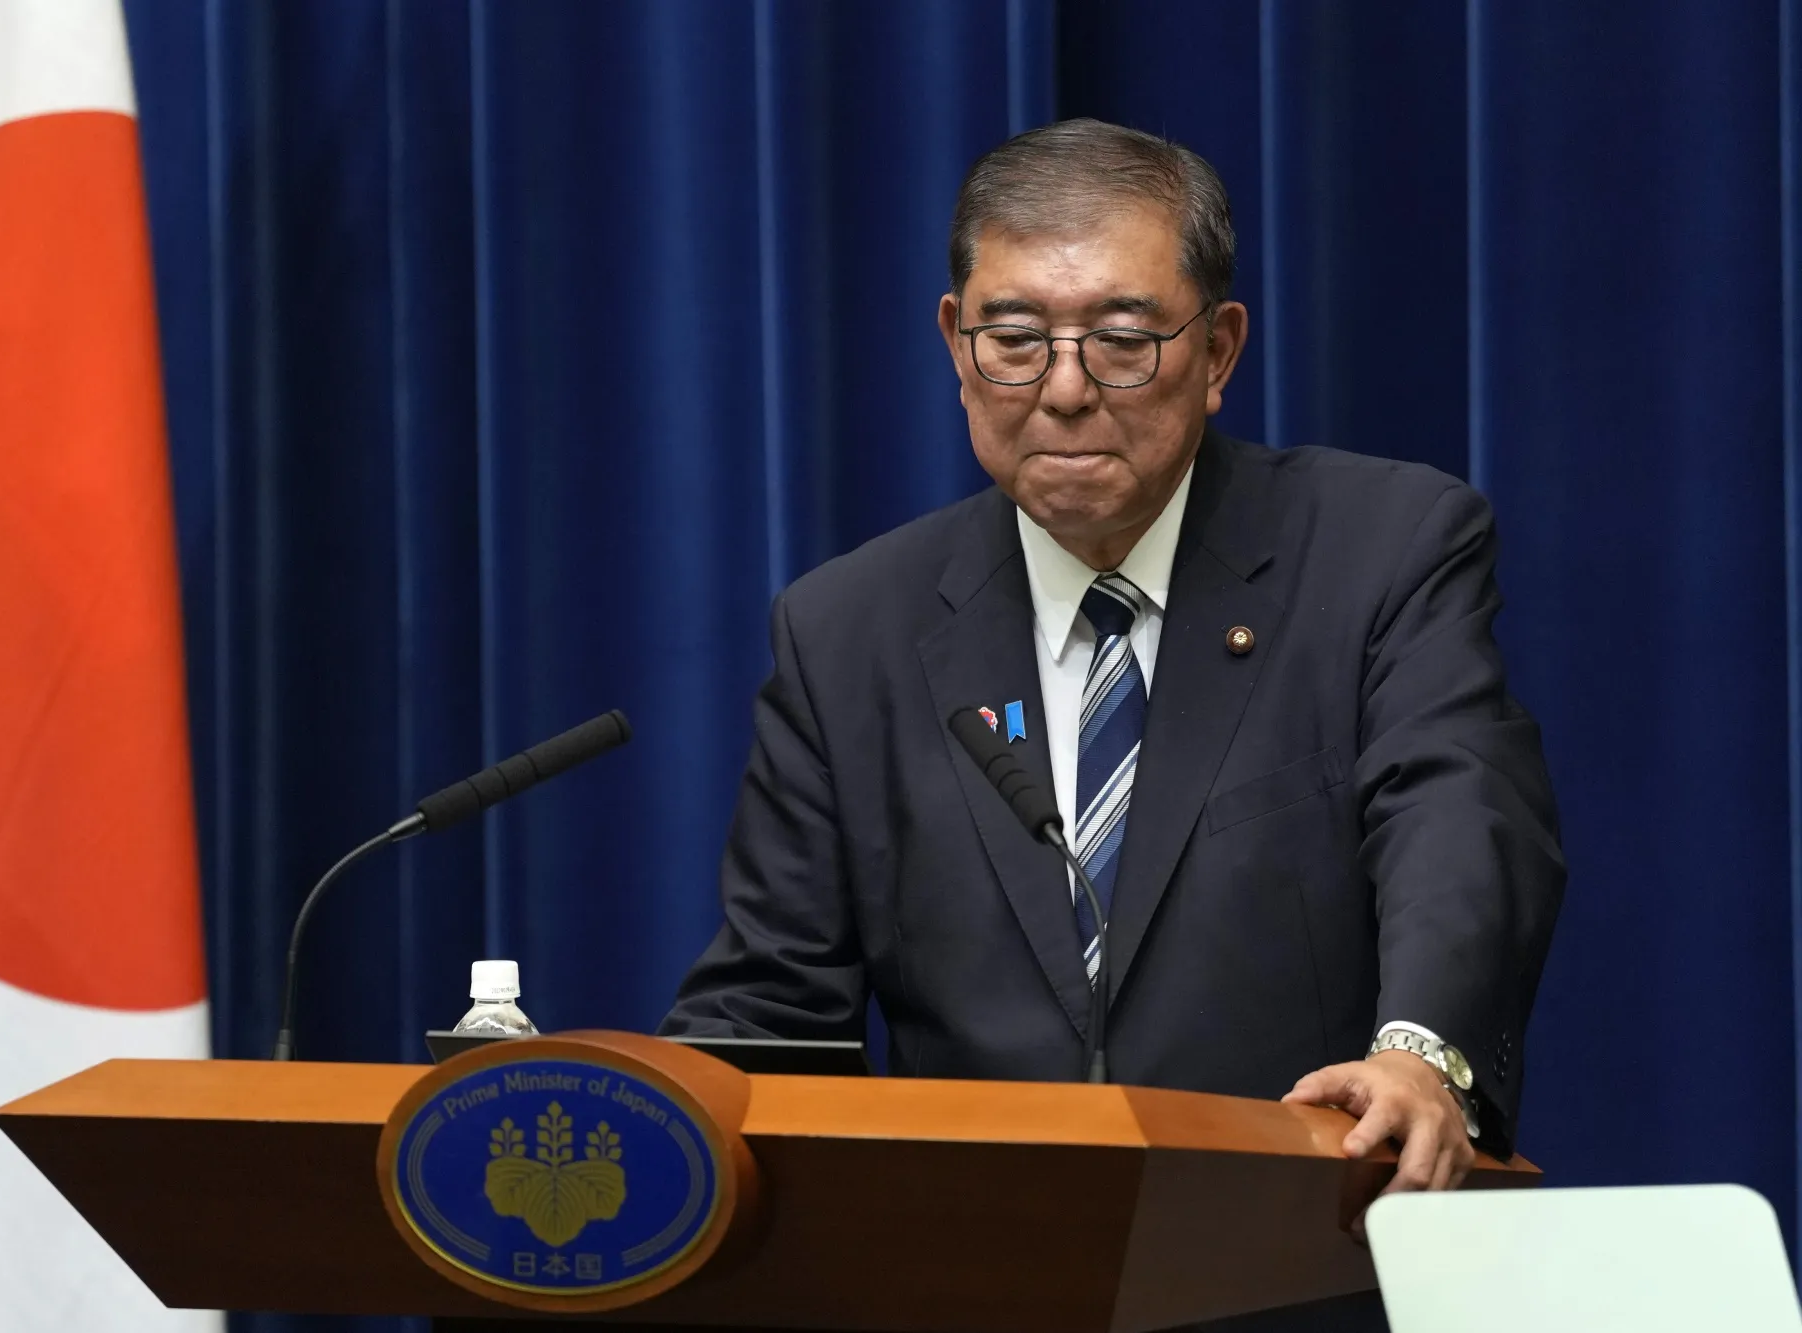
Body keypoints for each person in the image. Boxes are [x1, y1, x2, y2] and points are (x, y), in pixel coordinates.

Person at [663, 118, 1564, 1330]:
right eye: (1016, 342)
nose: (1067, 390)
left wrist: (1417, 1048)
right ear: (954, 342)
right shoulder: (847, 630)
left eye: (1124, 342)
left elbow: (1457, 811)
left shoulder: (1380, 550)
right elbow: (770, 1012)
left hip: (1308, 1271)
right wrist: (651, 1129)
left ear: (1217, 349)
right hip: (975, 1288)